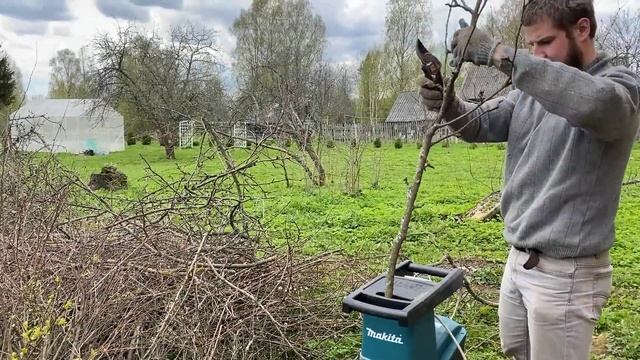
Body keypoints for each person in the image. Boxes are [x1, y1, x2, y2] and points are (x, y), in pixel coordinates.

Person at [419, 1, 640, 359]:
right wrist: (448, 105)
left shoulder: (620, 88)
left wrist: (497, 53)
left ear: (582, 29)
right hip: (518, 260)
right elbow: (483, 123)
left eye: (545, 43)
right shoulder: (533, 89)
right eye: (531, 45)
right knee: (515, 353)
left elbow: (596, 106)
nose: (537, 55)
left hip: (566, 276)